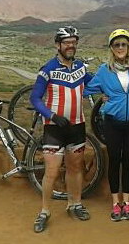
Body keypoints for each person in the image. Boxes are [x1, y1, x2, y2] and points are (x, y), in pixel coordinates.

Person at [30, 25, 92, 233]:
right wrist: (52, 116)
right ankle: (45, 211)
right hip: (54, 129)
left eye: (73, 42)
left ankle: (75, 203)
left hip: (77, 126)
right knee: (52, 172)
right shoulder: (48, 69)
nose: (71, 46)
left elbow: (96, 86)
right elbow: (35, 98)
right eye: (67, 42)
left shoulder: (82, 68)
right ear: (58, 45)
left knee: (75, 169)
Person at [84, 29, 129, 222]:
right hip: (112, 123)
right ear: (111, 48)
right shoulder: (104, 70)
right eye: (116, 45)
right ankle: (115, 204)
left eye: (123, 44)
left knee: (128, 161)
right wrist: (101, 96)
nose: (120, 48)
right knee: (114, 160)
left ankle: (127, 202)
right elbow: (86, 89)